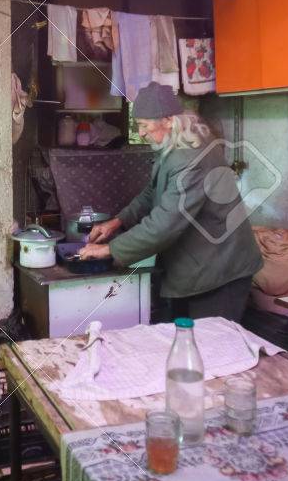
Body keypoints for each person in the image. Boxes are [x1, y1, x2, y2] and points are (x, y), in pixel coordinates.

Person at [78, 82, 261, 321]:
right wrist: (117, 221)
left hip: (221, 271)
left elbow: (164, 224)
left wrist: (109, 249)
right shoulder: (177, 142)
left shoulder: (190, 158)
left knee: (210, 341)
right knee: (184, 336)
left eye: (144, 125)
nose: (141, 133)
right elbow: (153, 191)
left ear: (167, 120)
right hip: (198, 266)